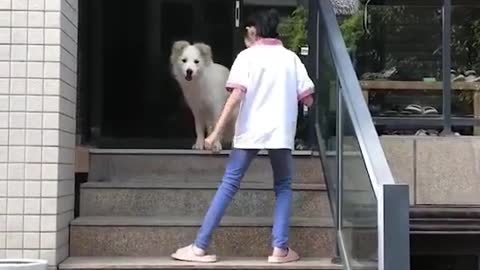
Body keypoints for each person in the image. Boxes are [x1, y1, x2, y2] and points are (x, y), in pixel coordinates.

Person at [171, 9, 315, 264]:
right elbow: (308, 98)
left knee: (229, 185)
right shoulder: (291, 58)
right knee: (283, 187)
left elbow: (235, 95)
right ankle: (280, 249)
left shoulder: (246, 57)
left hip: (250, 131)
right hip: (280, 133)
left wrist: (215, 133)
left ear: (255, 31)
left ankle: (199, 247)